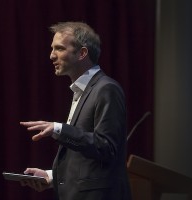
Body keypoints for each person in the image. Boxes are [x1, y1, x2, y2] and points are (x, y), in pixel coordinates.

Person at [20, 21, 132, 200]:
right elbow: (85, 160)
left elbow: (106, 147)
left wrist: (59, 129)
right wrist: (50, 177)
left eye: (59, 49)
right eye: (52, 49)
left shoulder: (106, 89)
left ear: (82, 53)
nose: (51, 56)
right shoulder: (82, 90)